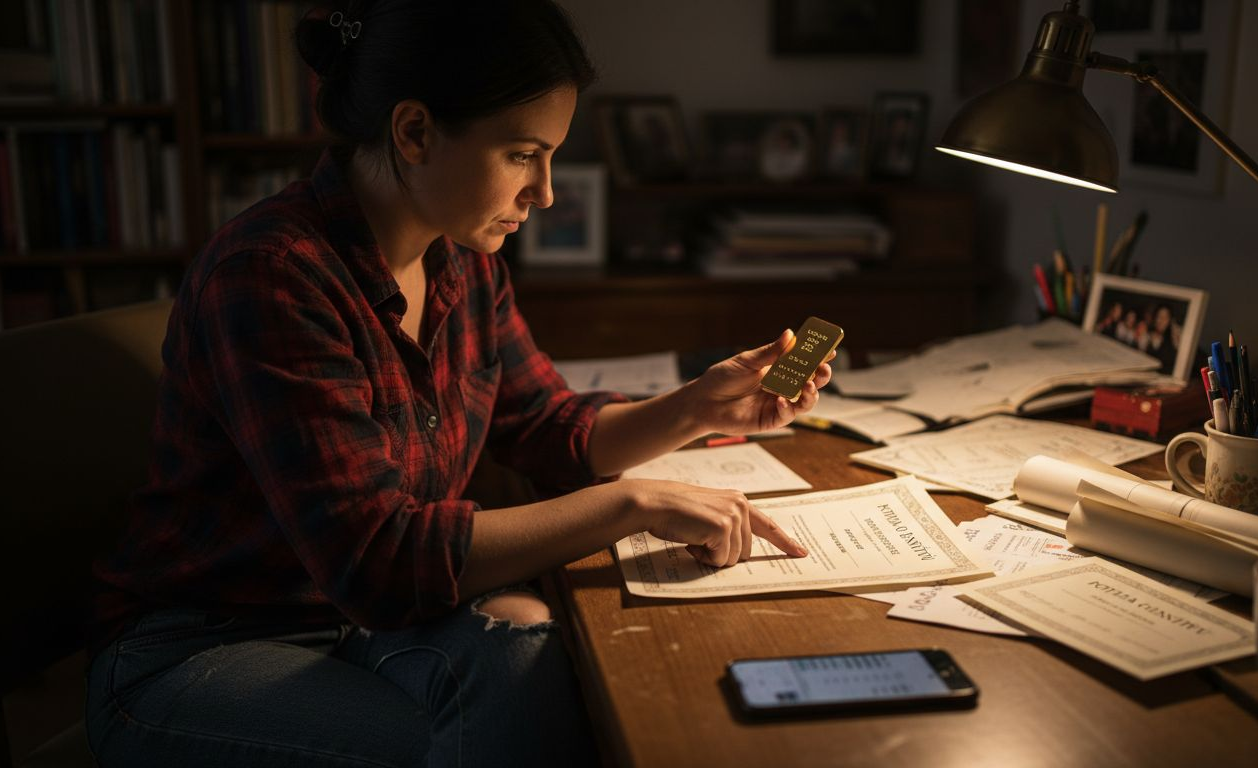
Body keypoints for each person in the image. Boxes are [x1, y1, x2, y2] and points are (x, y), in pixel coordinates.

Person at [83, 2, 824, 766]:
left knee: (531, 655)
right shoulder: (273, 277)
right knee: (499, 737)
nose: (544, 192)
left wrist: (699, 405)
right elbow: (378, 559)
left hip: (360, 628)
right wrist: (630, 502)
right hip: (204, 648)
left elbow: (547, 428)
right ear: (414, 133)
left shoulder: (464, 264)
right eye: (521, 155)